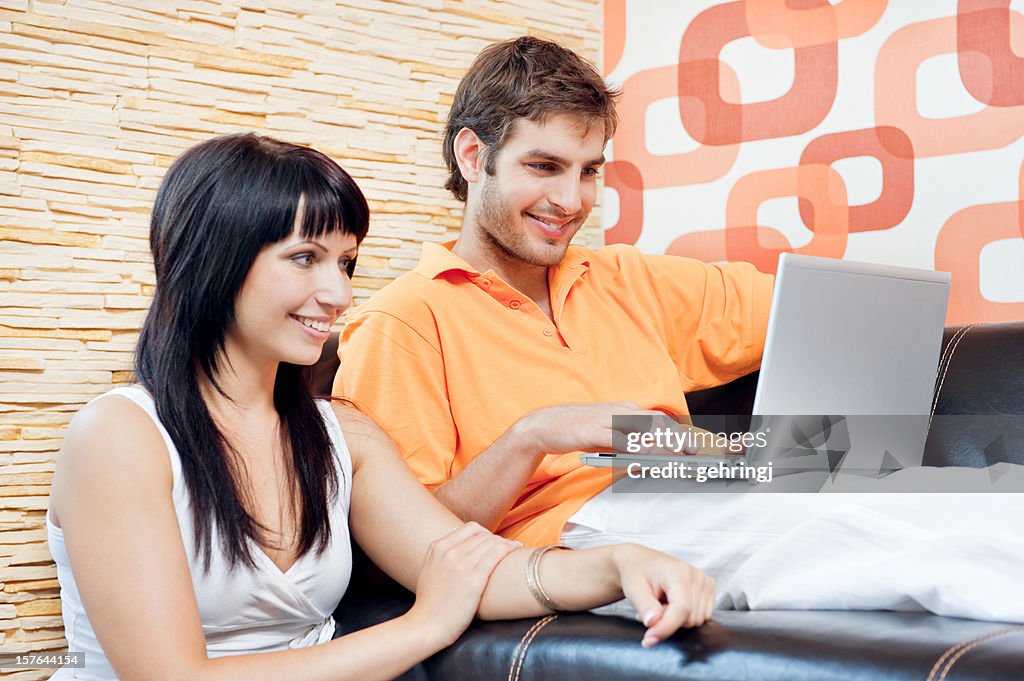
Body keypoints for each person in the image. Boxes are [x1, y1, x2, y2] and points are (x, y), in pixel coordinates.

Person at [335, 37, 1024, 623]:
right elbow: (413, 539)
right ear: (472, 156)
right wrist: (534, 435)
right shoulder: (404, 318)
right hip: (584, 532)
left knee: (995, 492)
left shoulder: (623, 278)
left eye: (589, 172)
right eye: (543, 167)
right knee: (867, 536)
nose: (571, 201)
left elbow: (826, 308)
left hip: (688, 481)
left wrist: (785, 453)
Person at [46, 133, 718, 681]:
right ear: (212, 262)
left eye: (347, 263)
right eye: (306, 258)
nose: (337, 293)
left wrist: (620, 565)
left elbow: (467, 568)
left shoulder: (342, 436)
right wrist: (422, 626)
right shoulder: (121, 437)